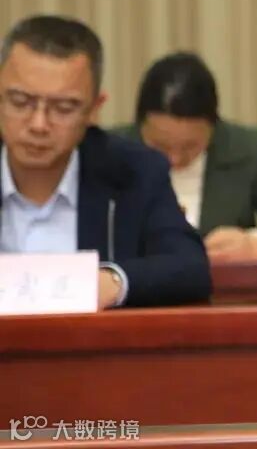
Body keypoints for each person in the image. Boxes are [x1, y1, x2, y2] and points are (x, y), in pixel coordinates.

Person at [0, 16, 210, 307]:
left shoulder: (135, 171)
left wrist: (113, 281)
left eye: (64, 107)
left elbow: (190, 268)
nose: (38, 124)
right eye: (20, 101)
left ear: (94, 110)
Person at [113, 52, 257, 262]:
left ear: (214, 127)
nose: (174, 159)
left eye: (190, 146)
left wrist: (256, 245)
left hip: (224, 282)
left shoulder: (247, 148)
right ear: (140, 126)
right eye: (160, 146)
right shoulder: (111, 151)